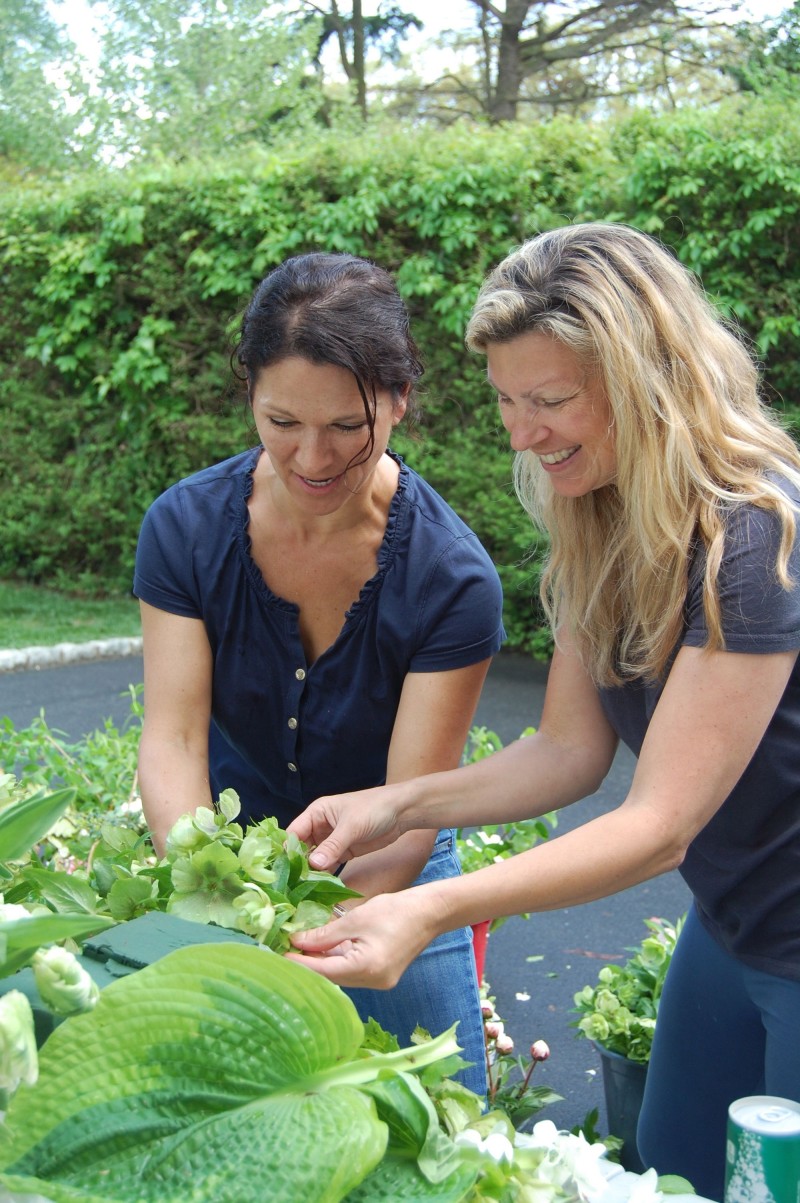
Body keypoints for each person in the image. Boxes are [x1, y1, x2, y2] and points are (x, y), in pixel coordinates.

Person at [287, 223, 800, 1200]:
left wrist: (427, 904)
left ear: (653, 382)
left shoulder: (749, 534)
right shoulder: (596, 511)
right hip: (730, 920)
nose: (521, 434)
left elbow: (657, 826)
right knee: (672, 1160)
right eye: (506, 402)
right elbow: (565, 750)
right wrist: (392, 807)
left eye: (551, 401)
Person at [133, 251, 506, 1097]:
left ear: (401, 398)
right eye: (281, 420)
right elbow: (175, 736)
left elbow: (413, 813)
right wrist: (214, 896)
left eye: (347, 424)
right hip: (225, 861)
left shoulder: (453, 581)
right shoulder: (183, 529)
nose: (312, 456)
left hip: (390, 869)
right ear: (250, 396)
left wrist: (306, 930)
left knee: (444, 1117)